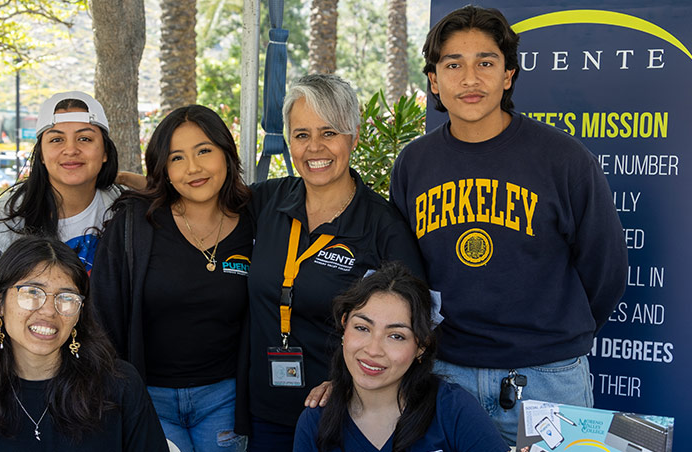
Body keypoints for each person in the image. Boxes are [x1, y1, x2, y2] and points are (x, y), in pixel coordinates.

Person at [389, 5, 628, 445]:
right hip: (444, 375)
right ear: (434, 80)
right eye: (453, 64)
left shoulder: (564, 160)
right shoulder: (413, 164)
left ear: (509, 75)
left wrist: (551, 340)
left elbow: (606, 269)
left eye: (486, 62)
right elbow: (405, 273)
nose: (471, 78)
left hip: (548, 378)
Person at [247, 74, 427, 452]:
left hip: (341, 414)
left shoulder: (383, 227)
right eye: (301, 135)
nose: (314, 148)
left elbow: (414, 328)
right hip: (266, 413)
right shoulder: (265, 201)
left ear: (354, 137)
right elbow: (195, 198)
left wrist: (350, 381)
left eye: (329, 132)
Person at [92, 105, 252, 452]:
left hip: (224, 400)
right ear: (163, 168)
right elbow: (102, 313)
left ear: (227, 152)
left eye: (204, 151)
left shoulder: (257, 222)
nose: (193, 168)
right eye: (177, 158)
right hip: (150, 398)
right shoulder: (135, 223)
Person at [0, 236, 168, 451]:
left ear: (79, 313)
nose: (48, 311)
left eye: (66, 298)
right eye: (32, 292)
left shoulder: (120, 386)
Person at [0, 91, 121, 368]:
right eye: (56, 139)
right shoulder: (5, 223)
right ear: (41, 155)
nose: (71, 149)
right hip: (23, 380)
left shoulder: (126, 213)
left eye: (85, 138)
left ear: (104, 152)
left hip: (105, 377)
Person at [293, 262, 508, 452]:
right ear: (343, 327)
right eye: (362, 328)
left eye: (396, 336)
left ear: (421, 347)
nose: (374, 349)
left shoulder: (453, 410)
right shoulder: (315, 422)